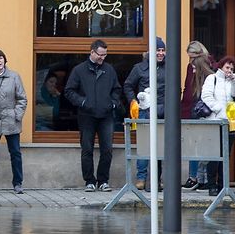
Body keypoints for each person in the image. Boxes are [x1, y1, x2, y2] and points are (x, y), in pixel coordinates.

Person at [64, 39, 123, 192]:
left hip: (106, 115)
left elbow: (117, 89)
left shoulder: (109, 70)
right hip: (86, 115)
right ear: (92, 52)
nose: (102, 58)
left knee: (107, 149)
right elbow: (69, 91)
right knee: (87, 149)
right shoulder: (79, 70)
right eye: (100, 54)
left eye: (105, 55)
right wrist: (83, 102)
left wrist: (113, 103)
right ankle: (89, 181)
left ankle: (103, 181)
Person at [123, 37, 167, 190]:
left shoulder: (169, 67)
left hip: (163, 110)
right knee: (144, 145)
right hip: (144, 111)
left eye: (163, 50)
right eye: (158, 50)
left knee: (160, 146)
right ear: (150, 51)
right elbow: (128, 85)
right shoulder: (139, 68)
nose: (161, 53)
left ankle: (157, 179)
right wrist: (134, 101)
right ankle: (141, 178)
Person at [0, 48, 28, 193]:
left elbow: (22, 99)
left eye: (1, 57)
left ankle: (18, 183)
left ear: (5, 60)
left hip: (10, 120)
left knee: (15, 153)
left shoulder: (14, 76)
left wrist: (16, 115)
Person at [200, 55, 235, 195]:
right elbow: (206, 96)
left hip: (229, 122)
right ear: (221, 67)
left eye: (232, 68)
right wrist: (218, 109)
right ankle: (212, 185)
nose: (229, 70)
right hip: (214, 121)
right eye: (227, 67)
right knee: (213, 155)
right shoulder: (212, 78)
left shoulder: (232, 80)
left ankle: (223, 186)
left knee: (226, 155)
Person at [180, 41, 215, 189]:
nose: (191, 61)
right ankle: (194, 177)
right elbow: (188, 88)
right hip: (191, 109)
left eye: (192, 57)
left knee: (204, 145)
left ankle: (202, 179)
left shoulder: (209, 65)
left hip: (204, 109)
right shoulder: (191, 67)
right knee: (192, 145)